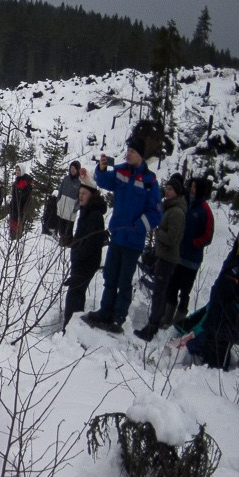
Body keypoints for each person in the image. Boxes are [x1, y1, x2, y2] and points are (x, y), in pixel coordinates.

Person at [82, 134, 162, 332]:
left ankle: (118, 317)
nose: (128, 154)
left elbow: (156, 213)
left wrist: (138, 226)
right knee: (110, 276)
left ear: (140, 155)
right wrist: (101, 168)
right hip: (117, 236)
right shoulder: (121, 171)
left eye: (132, 151)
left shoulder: (150, 181)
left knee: (124, 281)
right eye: (128, 150)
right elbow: (103, 181)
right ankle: (105, 311)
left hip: (133, 241)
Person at [185, 219, 239, 368]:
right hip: (219, 305)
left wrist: (237, 307)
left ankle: (219, 375)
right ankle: (206, 367)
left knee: (222, 342)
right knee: (211, 337)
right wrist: (215, 291)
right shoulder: (235, 254)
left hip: (231, 313)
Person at [142, 176, 212, 339]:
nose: (192, 189)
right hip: (178, 254)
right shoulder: (185, 202)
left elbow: (208, 235)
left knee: (184, 291)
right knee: (171, 287)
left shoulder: (204, 210)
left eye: (195, 187)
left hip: (192, 259)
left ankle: (179, 321)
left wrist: (194, 243)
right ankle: (166, 317)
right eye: (191, 186)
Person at [133, 175, 186, 339]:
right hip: (162, 255)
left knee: (159, 292)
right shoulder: (169, 208)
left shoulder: (176, 212)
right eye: (167, 188)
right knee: (158, 290)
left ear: (177, 192)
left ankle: (153, 326)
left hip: (168, 258)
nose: (167, 191)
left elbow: (172, 238)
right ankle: (154, 322)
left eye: (171, 189)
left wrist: (157, 232)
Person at [63, 180, 107, 327]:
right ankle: (73, 326)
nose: (80, 196)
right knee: (76, 293)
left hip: (86, 262)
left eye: (84, 194)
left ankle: (70, 327)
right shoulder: (86, 210)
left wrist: (77, 254)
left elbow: (92, 242)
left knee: (74, 293)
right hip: (81, 260)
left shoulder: (94, 214)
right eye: (80, 193)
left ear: (92, 195)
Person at [49, 161, 81, 240]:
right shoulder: (66, 179)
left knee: (68, 232)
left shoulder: (80, 182)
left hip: (70, 212)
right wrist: (58, 201)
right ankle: (61, 242)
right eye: (71, 168)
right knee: (61, 230)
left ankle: (67, 245)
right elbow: (60, 191)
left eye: (74, 168)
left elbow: (81, 198)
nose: (72, 170)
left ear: (78, 170)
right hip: (62, 209)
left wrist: (76, 208)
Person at [9, 167, 33, 238]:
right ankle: (13, 237)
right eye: (16, 170)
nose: (17, 172)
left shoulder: (26, 180)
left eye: (19, 170)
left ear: (22, 170)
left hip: (21, 207)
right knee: (13, 223)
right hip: (14, 206)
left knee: (18, 225)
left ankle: (16, 238)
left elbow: (26, 194)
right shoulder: (17, 180)